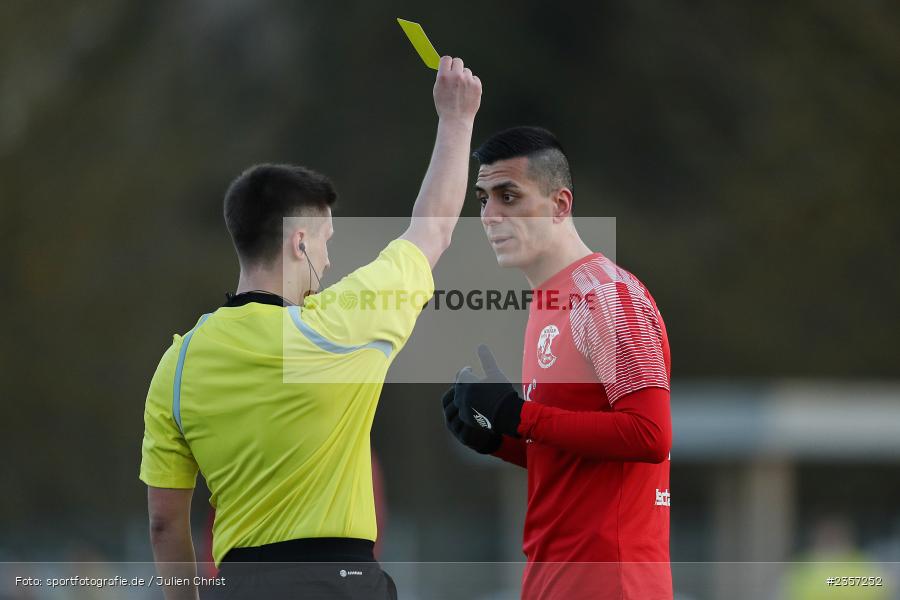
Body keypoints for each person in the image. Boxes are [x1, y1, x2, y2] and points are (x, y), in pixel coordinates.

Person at [139, 55, 481, 600]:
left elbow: (164, 523)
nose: (329, 256)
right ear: (300, 243)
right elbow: (433, 228)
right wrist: (457, 119)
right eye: (326, 241)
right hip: (342, 583)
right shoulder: (343, 323)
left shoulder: (177, 367)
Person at [442, 127, 673, 599]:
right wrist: (498, 438)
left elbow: (650, 435)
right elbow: (574, 459)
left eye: (509, 196)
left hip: (611, 585)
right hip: (553, 580)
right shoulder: (548, 302)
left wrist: (518, 416)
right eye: (483, 199)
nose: (490, 215)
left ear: (560, 205)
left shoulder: (606, 296)